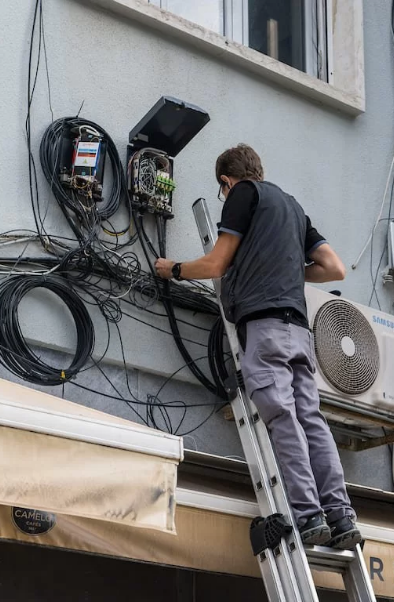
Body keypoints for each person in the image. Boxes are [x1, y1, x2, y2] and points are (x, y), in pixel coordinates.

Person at [155, 144, 361, 549]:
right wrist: (284, 269)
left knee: (283, 421)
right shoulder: (293, 208)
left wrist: (173, 269)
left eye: (222, 191)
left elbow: (216, 265)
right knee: (312, 422)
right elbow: (334, 267)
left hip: (264, 330)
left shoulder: (243, 196)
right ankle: (341, 516)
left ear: (226, 182)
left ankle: (309, 516)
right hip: (300, 333)